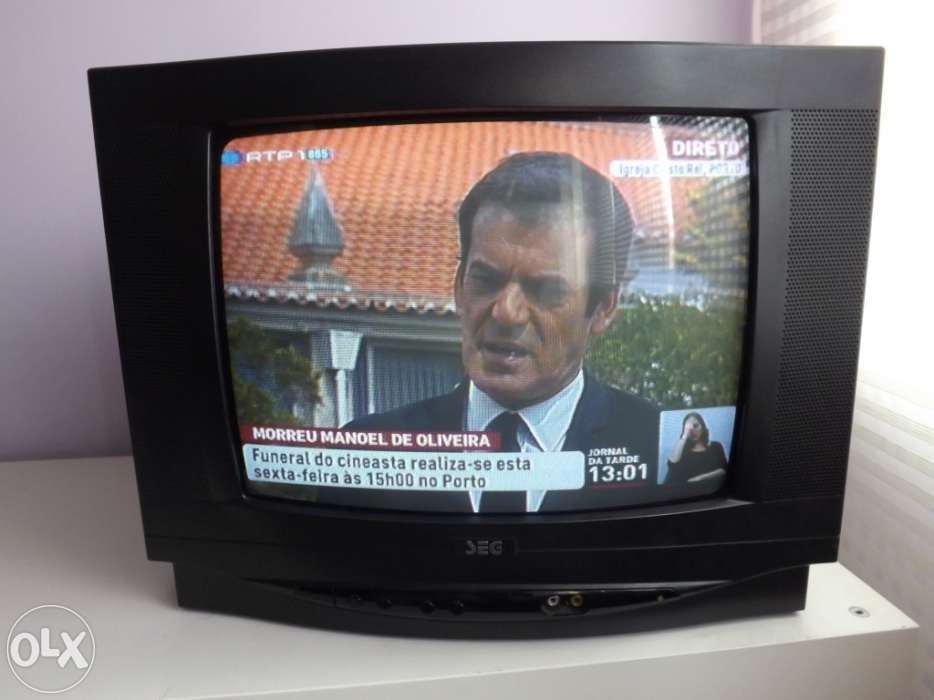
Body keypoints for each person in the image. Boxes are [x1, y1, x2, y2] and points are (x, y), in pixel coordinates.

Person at [338, 152, 659, 513]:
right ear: (458, 286)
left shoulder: (658, 446)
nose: (506, 313)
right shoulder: (368, 449)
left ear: (603, 308)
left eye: (546, 291)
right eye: (486, 280)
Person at [665, 412, 727, 484]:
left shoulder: (715, 446)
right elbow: (672, 465)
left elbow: (723, 469)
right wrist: (685, 435)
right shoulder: (681, 449)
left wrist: (701, 478)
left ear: (702, 427)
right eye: (688, 428)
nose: (693, 431)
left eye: (696, 426)